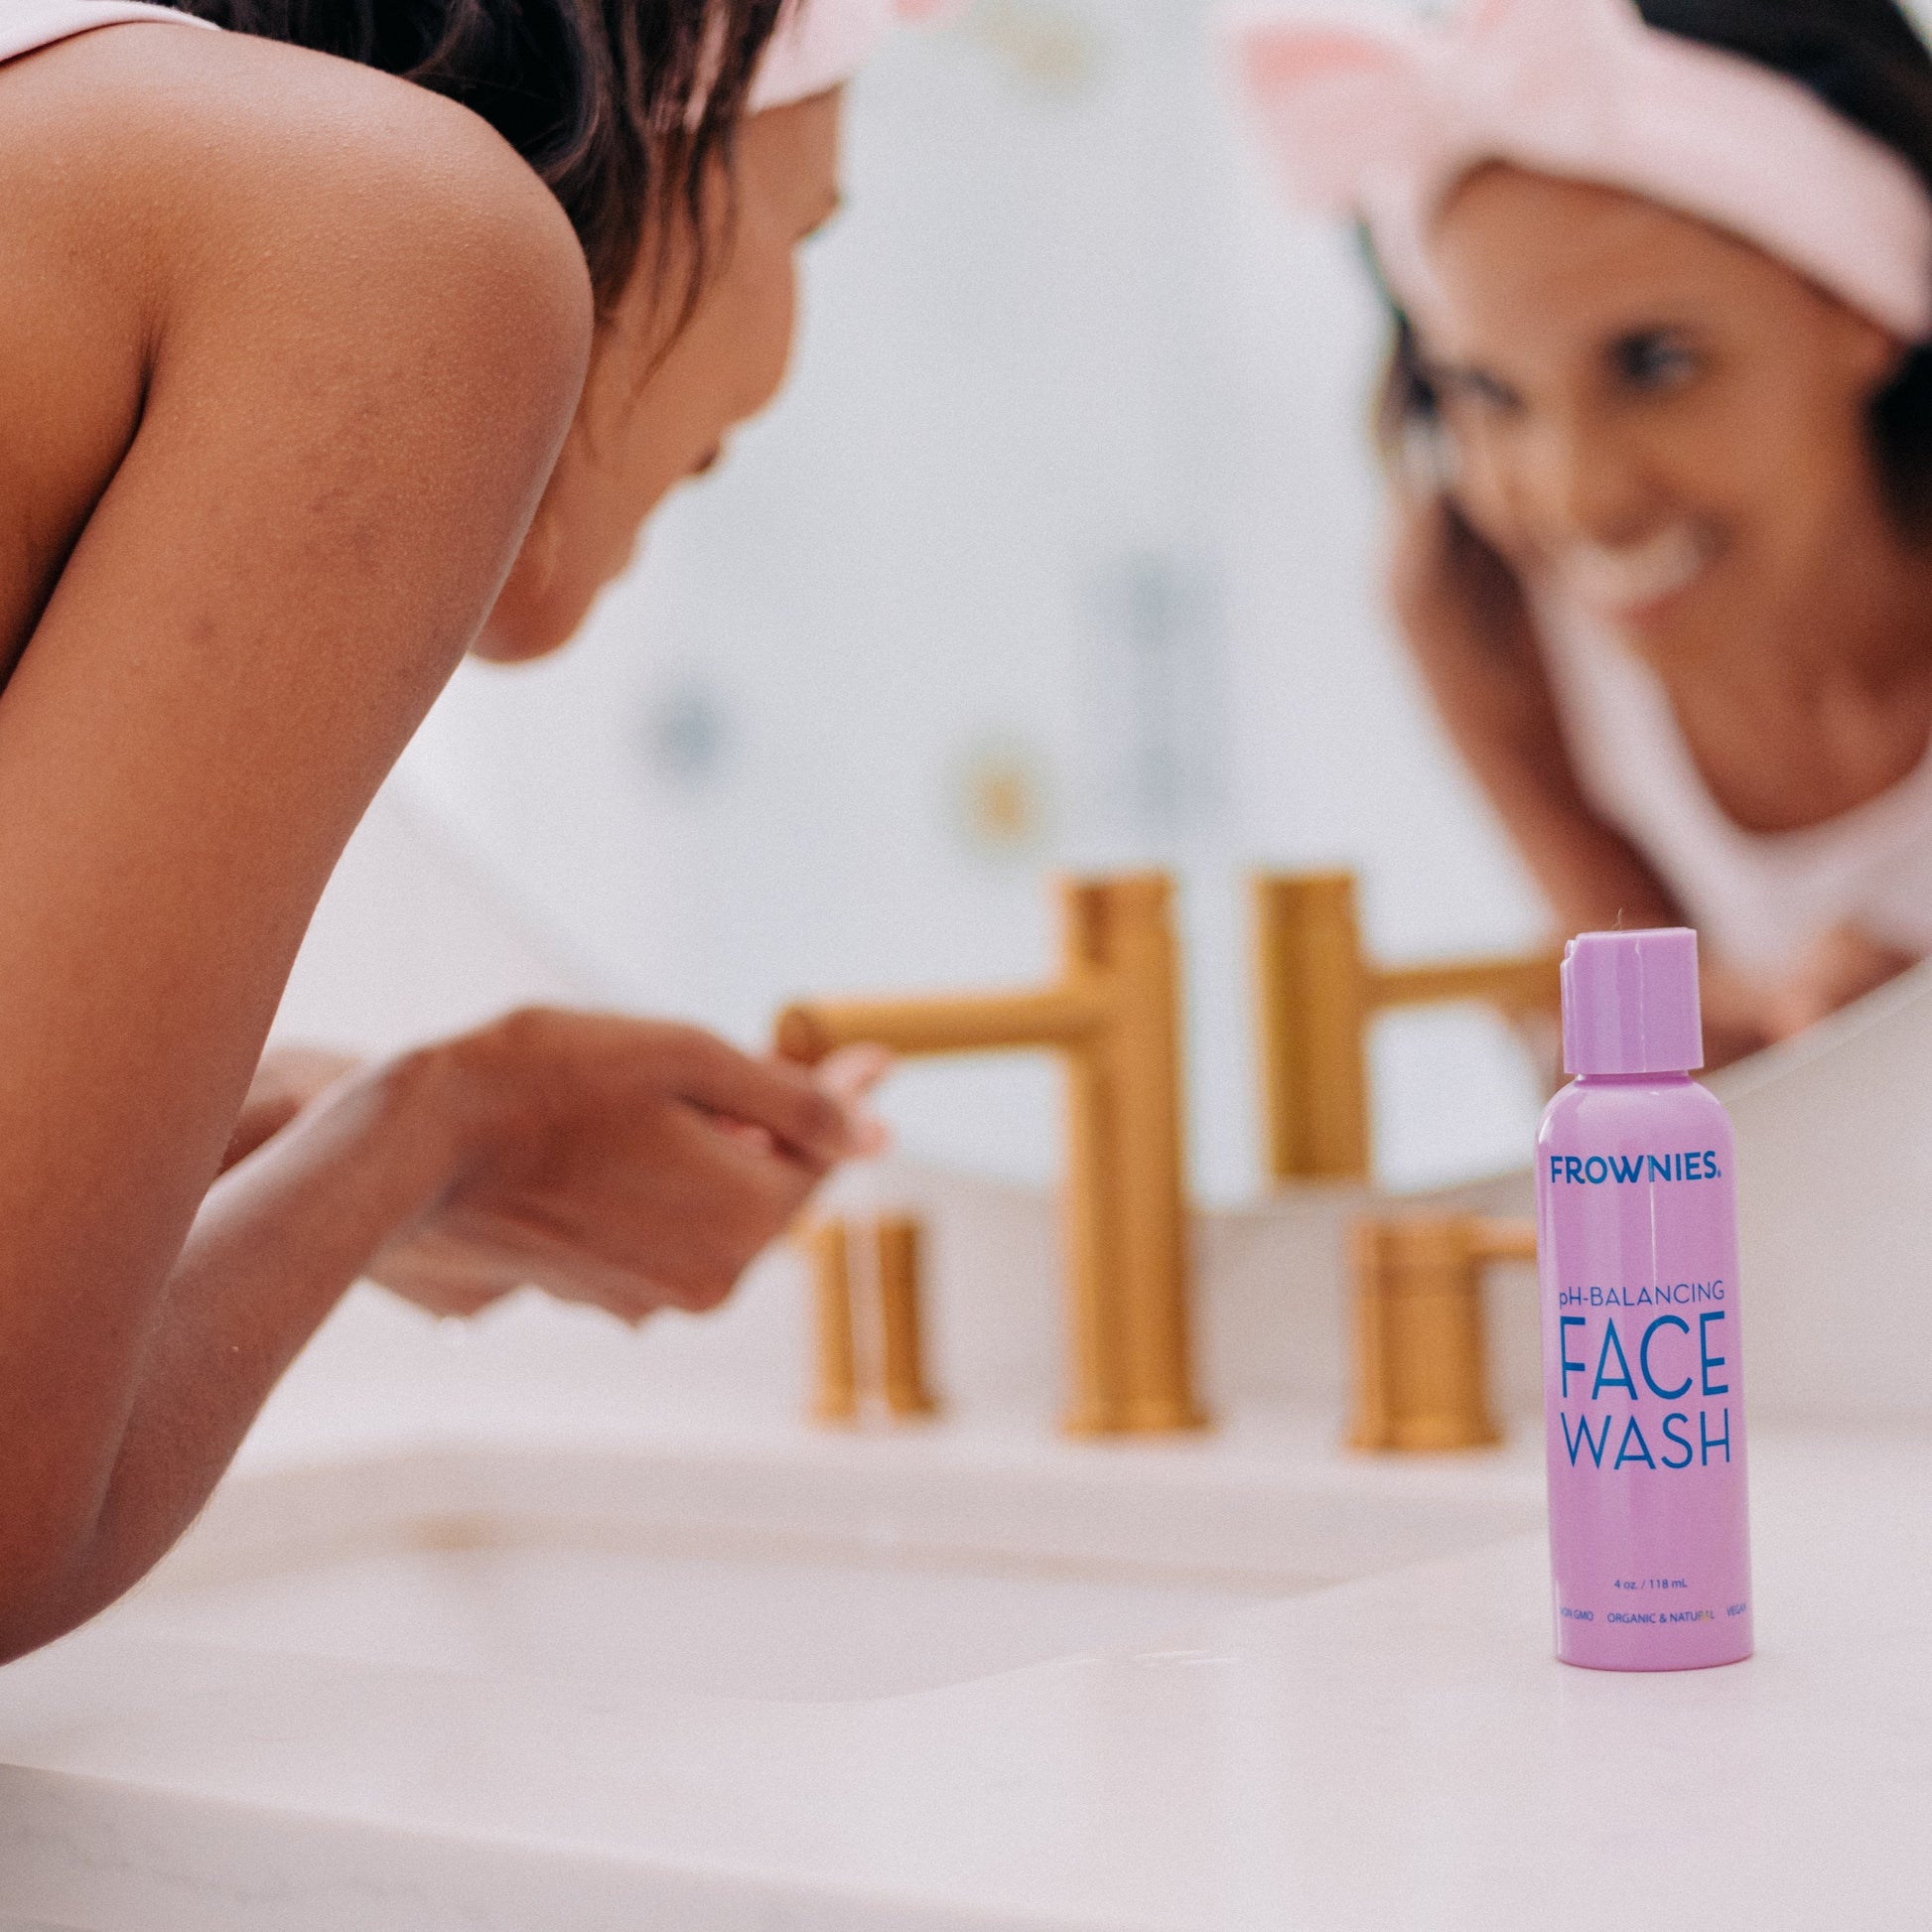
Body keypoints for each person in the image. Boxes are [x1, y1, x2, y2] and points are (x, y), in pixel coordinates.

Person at [0, 0, 933, 1663]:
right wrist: (426, 1134)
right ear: (685, 79)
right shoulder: (389, 225)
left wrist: (284, 1115)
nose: (785, 367)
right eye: (814, 223)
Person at [1239, 0, 1932, 1064]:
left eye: (1655, 362)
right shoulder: (1474, 603)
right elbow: (1683, 1046)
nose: (1575, 499)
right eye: (1486, 389)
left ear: (1866, 308)